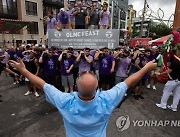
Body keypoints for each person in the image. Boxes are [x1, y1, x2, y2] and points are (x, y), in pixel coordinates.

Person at [9, 57, 157, 137]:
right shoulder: (107, 100)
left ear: (75, 87)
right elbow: (128, 82)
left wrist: (23, 71)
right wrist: (145, 68)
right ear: (97, 87)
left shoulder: (65, 101)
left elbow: (42, 84)